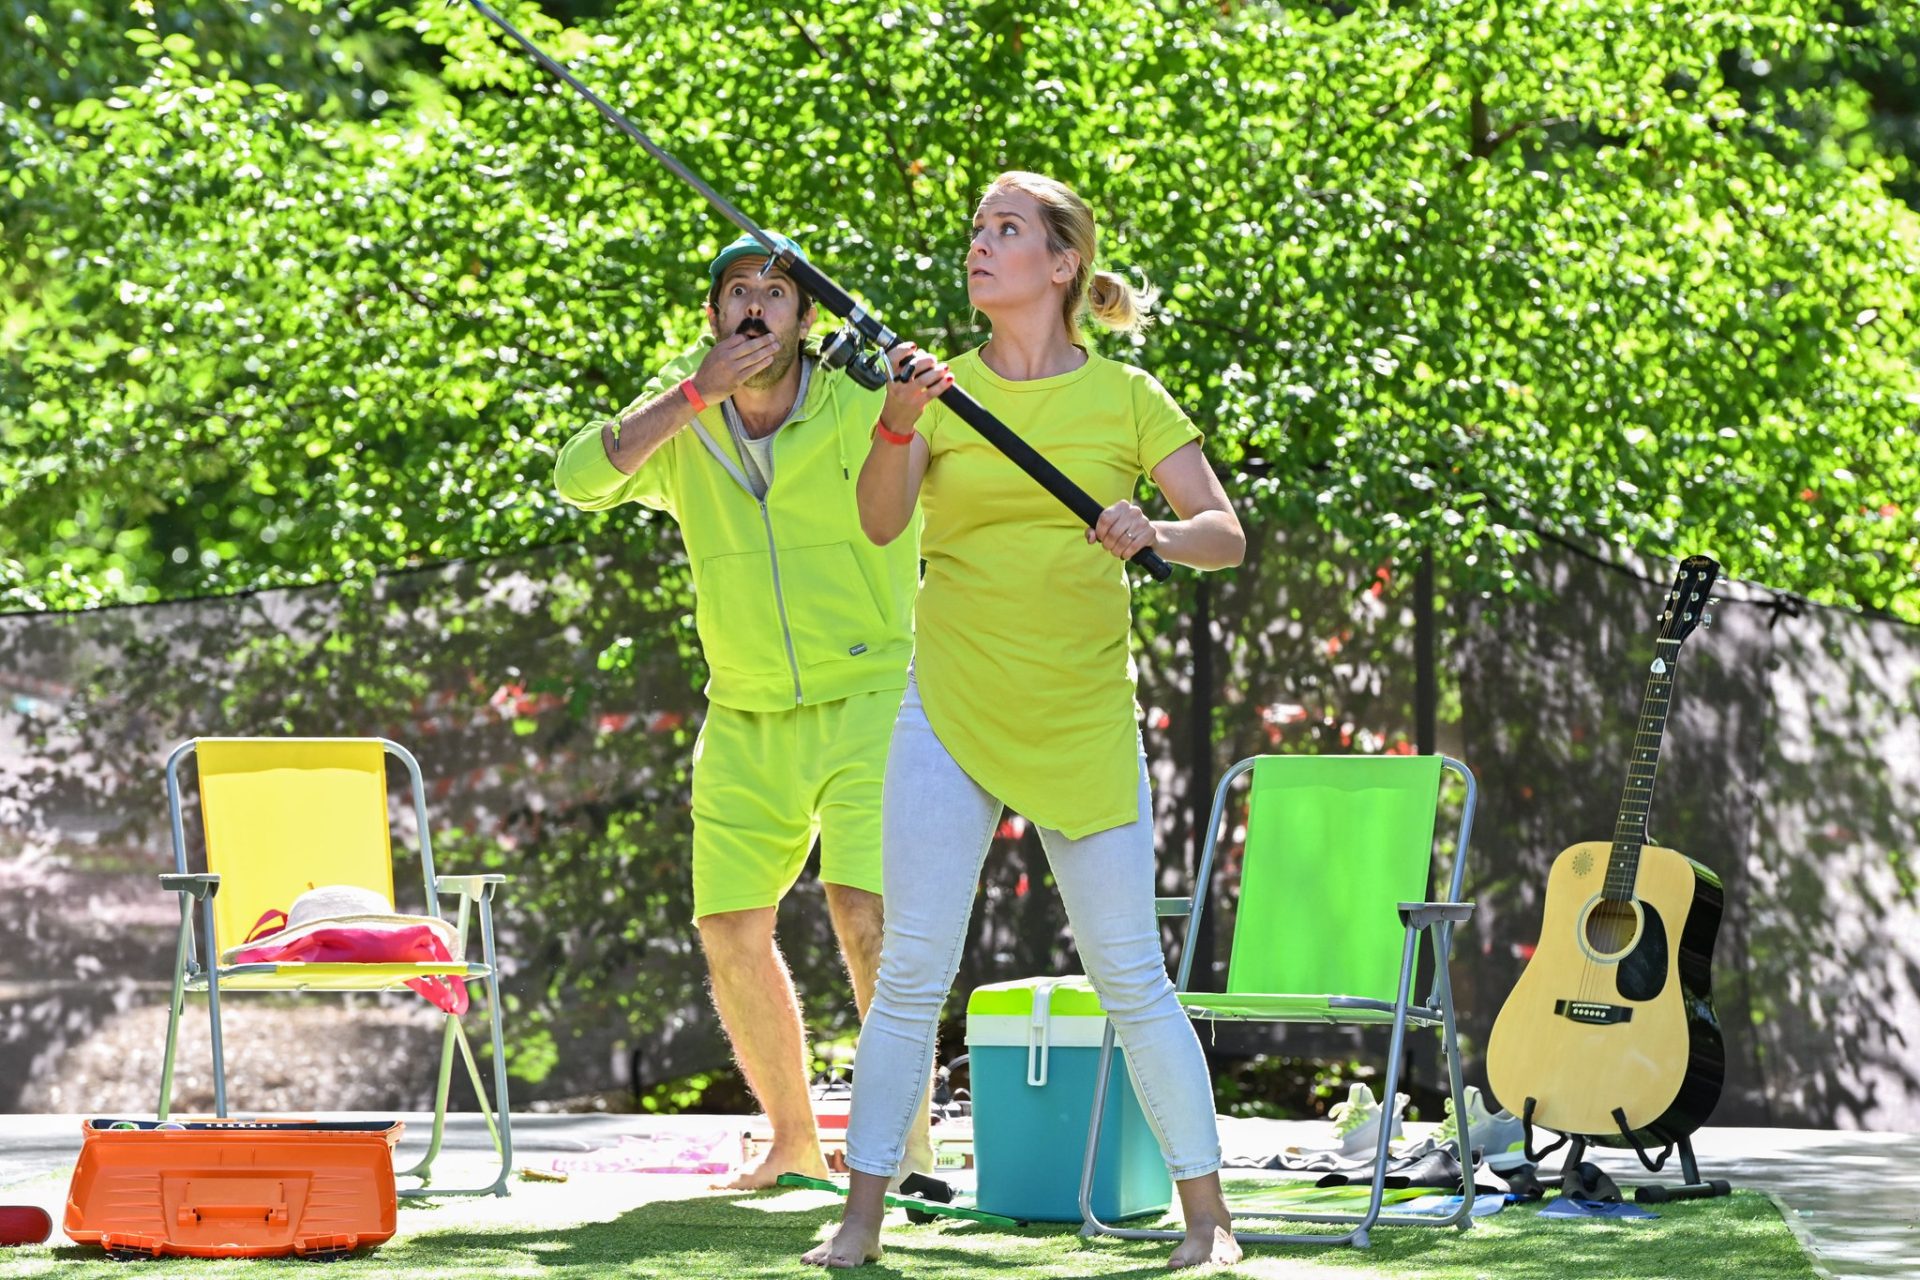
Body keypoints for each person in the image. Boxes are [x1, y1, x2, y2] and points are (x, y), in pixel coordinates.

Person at [802, 173, 1246, 1269]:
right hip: (950, 703)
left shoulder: (1127, 396)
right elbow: (878, 522)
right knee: (913, 969)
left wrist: (1154, 532)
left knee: (1131, 975)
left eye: (1007, 229)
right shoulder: (935, 390)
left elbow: (1224, 533)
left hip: (1081, 713)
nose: (981, 244)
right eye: (976, 229)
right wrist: (898, 422)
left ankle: (1210, 1221)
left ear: (1062, 264)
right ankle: (859, 1218)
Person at [554, 233, 931, 1189]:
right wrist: (694, 394)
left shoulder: (859, 401)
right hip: (744, 709)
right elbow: (578, 479)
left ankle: (905, 1148)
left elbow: (946, 450)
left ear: (807, 317)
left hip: (873, 692)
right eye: (737, 291)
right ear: (714, 316)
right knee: (728, 929)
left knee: (865, 914)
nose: (756, 305)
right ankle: (794, 1147)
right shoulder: (685, 417)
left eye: (776, 292)